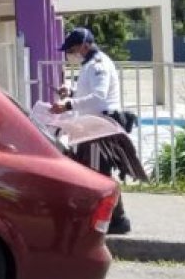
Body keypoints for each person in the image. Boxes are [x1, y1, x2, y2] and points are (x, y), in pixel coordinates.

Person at [51, 27, 133, 234]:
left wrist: (68, 105)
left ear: (84, 46)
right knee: (95, 171)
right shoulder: (89, 64)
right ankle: (113, 218)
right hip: (93, 125)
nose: (70, 54)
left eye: (72, 50)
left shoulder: (98, 65)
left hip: (101, 126)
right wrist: (71, 92)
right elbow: (88, 92)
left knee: (99, 173)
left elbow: (98, 97)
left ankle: (117, 219)